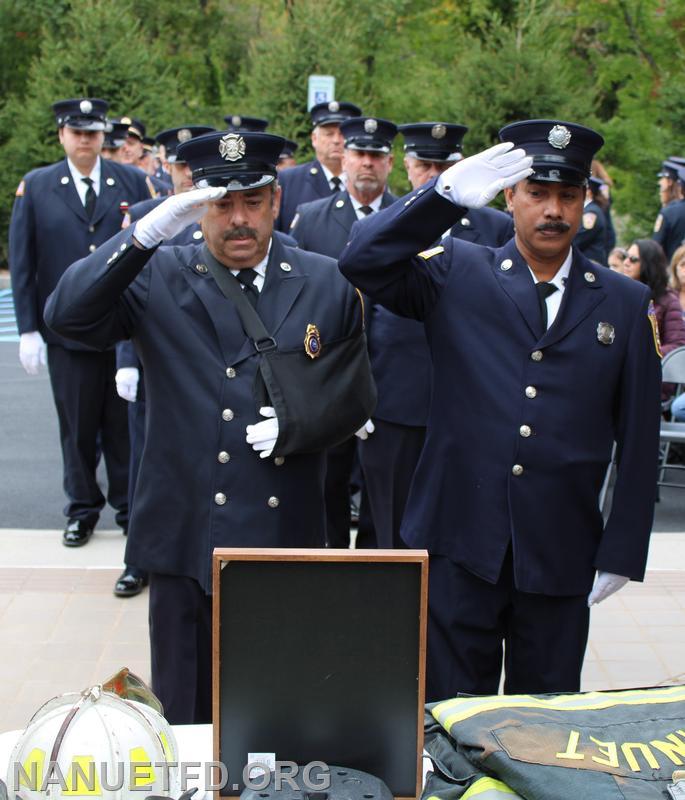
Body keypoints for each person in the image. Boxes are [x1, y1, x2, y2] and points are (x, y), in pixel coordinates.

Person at [45, 129, 369, 724]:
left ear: (275, 200)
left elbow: (354, 394)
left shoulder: (323, 279)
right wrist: (139, 238)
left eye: (252, 201)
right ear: (197, 204)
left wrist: (300, 422)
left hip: (284, 535)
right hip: (184, 536)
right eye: (222, 203)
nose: (238, 220)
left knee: (279, 708)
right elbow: (66, 316)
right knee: (186, 713)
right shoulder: (157, 272)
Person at [339, 119, 662, 701]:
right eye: (536, 193)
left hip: (559, 550)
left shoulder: (624, 300)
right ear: (508, 196)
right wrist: (439, 199)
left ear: (585, 198)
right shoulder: (456, 271)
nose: (553, 210)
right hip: (459, 540)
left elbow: (638, 440)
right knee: (454, 715)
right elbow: (361, 260)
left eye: (568, 194)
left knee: (547, 719)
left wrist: (623, 547)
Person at [359, 121, 514, 549]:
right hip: (394, 402)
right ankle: (392, 616)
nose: (434, 174)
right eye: (424, 164)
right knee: (393, 530)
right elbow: (359, 316)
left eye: (444, 164)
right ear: (406, 168)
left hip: (468, 402)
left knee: (463, 527)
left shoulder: (494, 227)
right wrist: (360, 398)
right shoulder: (388, 225)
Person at [9, 97, 152, 546]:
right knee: (76, 427)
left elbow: (146, 257)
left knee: (123, 428)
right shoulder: (37, 185)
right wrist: (29, 327)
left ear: (102, 135)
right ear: (62, 136)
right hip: (66, 333)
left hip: (120, 329)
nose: (86, 140)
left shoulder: (130, 180)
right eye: (77, 132)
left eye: (93, 132)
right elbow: (24, 258)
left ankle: (129, 508)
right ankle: (81, 508)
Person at [114, 125, 216, 599]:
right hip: (155, 361)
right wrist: (125, 359)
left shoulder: (220, 211)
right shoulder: (142, 216)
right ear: (169, 168)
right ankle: (139, 559)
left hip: (209, 365)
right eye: (180, 166)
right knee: (147, 462)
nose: (187, 175)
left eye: (195, 168)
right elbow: (118, 294)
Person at [291, 116, 398, 547]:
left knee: (384, 492)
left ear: (391, 163)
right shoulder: (311, 219)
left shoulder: (408, 217)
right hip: (326, 374)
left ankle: (374, 577)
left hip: (391, 378)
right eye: (359, 154)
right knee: (326, 485)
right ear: (344, 158)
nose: (367, 164)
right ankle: (328, 571)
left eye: (376, 156)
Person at [276, 101, 362, 231]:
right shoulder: (289, 181)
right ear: (314, 138)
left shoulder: (364, 182)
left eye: (342, 134)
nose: (336, 140)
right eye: (329, 134)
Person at [622, 239, 685, 365]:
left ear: (649, 264)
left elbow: (677, 345)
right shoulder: (617, 293)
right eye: (625, 257)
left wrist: (641, 356)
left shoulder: (668, 300)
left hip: (650, 373)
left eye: (633, 259)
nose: (626, 262)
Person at [653, 158, 685, 261]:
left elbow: (655, 250)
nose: (660, 183)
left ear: (670, 181)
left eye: (662, 178)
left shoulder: (669, 213)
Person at [573, 175, 608, 265]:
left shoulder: (591, 212)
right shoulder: (590, 209)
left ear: (588, 192)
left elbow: (581, 237)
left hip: (590, 262)